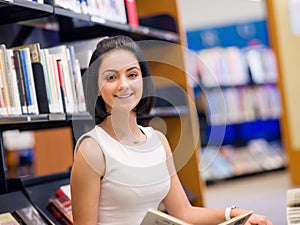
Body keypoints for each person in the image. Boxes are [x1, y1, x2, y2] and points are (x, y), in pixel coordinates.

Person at [70, 35, 273, 225]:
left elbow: (184, 211)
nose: (124, 85)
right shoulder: (92, 150)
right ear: (96, 86)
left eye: (132, 74)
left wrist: (234, 214)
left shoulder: (157, 140)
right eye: (111, 77)